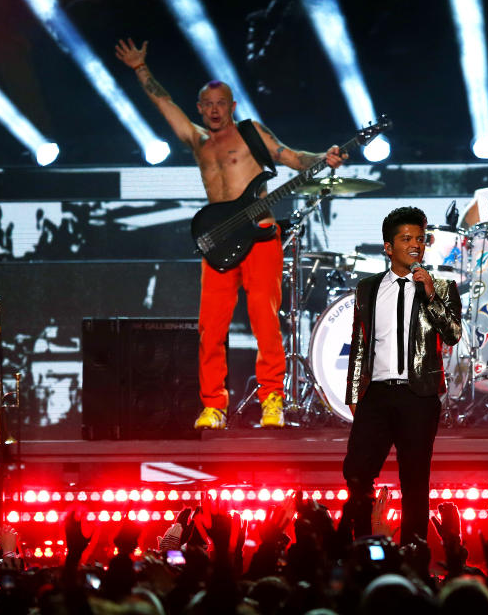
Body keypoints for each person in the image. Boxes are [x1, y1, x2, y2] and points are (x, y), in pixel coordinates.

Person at [115, 38, 345, 430]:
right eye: (208, 104)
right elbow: (163, 103)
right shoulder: (197, 141)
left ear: (232, 107)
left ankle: (272, 399)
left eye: (222, 103)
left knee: (265, 321)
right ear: (200, 109)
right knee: (211, 327)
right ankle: (213, 406)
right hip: (219, 241)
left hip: (259, 236)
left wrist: (323, 158)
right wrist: (141, 70)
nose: (215, 110)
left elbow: (292, 158)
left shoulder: (251, 132)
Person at [341, 206, 462, 545]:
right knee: (357, 473)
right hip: (376, 395)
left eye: (420, 240)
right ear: (388, 246)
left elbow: (452, 334)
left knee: (414, 479)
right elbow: (360, 341)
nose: (415, 246)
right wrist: (354, 394)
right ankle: (362, 545)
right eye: (406, 239)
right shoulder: (368, 288)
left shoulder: (442, 286)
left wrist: (431, 295)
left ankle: (414, 551)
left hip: (418, 395)